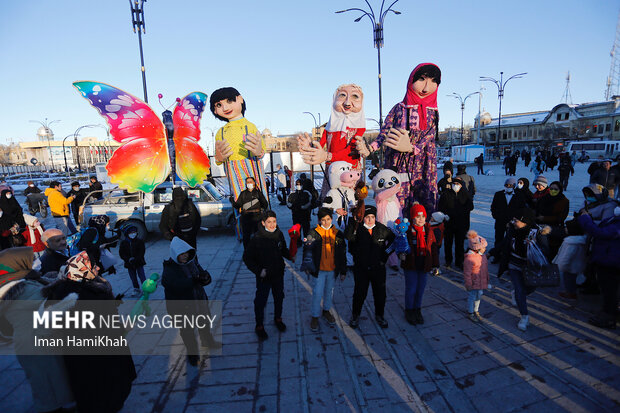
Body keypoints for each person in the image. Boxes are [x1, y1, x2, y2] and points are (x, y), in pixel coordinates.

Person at [42, 251, 137, 412]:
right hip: (97, 358)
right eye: (93, 266)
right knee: (104, 391)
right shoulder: (80, 297)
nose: (98, 268)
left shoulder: (75, 287)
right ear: (82, 270)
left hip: (86, 358)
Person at [0, 247, 75, 413]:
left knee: (50, 382)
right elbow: (52, 303)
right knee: (49, 386)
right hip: (36, 346)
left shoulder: (20, 281)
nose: (36, 262)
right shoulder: (20, 290)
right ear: (18, 264)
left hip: (36, 340)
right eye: (31, 259)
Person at [368, 63, 442, 214]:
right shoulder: (399, 108)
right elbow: (386, 129)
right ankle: (397, 230)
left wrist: (413, 147)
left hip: (424, 161)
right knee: (397, 198)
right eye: (422, 79)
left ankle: (424, 232)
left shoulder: (433, 112)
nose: (426, 87)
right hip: (399, 161)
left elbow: (430, 134)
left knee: (424, 199)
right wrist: (373, 146)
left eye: (433, 81)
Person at [162, 237, 219, 365]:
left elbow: (202, 273)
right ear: (175, 254)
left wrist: (205, 278)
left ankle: (208, 341)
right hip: (182, 307)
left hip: (199, 300)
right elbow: (173, 285)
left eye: (186, 253)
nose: (184, 256)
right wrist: (193, 281)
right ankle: (192, 354)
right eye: (181, 254)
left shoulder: (192, 262)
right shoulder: (170, 268)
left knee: (204, 322)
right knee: (187, 331)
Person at [243, 210, 292, 340]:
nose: (272, 225)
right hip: (264, 277)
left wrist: (291, 255)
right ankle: (259, 326)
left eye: (274, 221)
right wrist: (259, 271)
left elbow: (283, 249)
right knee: (260, 301)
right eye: (269, 222)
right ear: (263, 222)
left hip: (278, 273)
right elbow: (247, 258)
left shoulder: (278, 234)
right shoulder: (257, 238)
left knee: (279, 297)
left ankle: (278, 319)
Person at [344, 205, 395, 329]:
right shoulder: (358, 228)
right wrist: (353, 220)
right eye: (367, 217)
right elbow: (349, 238)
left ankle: (380, 315)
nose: (370, 220)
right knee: (359, 293)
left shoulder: (382, 229)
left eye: (372, 217)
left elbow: (393, 241)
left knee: (380, 293)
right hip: (361, 268)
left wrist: (385, 255)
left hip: (378, 268)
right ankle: (355, 315)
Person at [301, 207, 347, 332]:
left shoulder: (338, 234)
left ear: (331, 219)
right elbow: (307, 250)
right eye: (323, 220)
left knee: (329, 291)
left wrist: (343, 271)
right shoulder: (313, 233)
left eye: (328, 219)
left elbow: (342, 254)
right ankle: (315, 315)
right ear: (319, 220)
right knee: (317, 293)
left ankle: (326, 310)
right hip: (319, 270)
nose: (326, 222)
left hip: (332, 270)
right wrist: (306, 265)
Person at [498, 208, 543, 331]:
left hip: (531, 267)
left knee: (531, 287)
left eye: (516, 220)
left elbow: (547, 250)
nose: (513, 222)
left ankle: (517, 294)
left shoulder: (536, 233)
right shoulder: (512, 230)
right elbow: (505, 243)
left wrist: (533, 245)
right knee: (519, 289)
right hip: (514, 264)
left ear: (525, 221)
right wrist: (491, 253)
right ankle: (524, 316)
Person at [578, 206, 620, 329]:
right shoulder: (614, 219)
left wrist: (585, 218)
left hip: (612, 261)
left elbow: (600, 232)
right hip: (605, 258)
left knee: (610, 291)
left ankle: (608, 318)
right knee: (608, 289)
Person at [401, 203, 436, 325]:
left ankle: (417, 309)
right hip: (411, 265)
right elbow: (400, 246)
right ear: (412, 218)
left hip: (424, 265)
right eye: (418, 216)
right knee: (411, 289)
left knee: (420, 289)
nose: (421, 219)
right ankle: (409, 310)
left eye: (423, 216)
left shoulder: (428, 230)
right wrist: (401, 253)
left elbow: (433, 248)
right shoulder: (407, 231)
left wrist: (435, 264)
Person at [438, 177, 473, 269]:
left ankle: (459, 261)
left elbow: (470, 207)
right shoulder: (446, 194)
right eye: (454, 184)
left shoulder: (465, 195)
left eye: (458, 184)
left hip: (461, 224)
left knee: (459, 244)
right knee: (448, 243)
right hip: (449, 223)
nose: (456, 186)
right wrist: (445, 215)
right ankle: (448, 260)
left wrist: (462, 212)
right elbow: (440, 207)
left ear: (461, 185)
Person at [490, 178, 525, 263]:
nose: (508, 187)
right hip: (500, 221)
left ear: (514, 186)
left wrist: (514, 220)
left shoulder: (519, 196)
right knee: (498, 239)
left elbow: (521, 209)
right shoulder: (498, 194)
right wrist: (497, 216)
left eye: (510, 185)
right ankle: (497, 256)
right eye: (506, 185)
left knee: (510, 241)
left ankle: (508, 259)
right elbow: (493, 207)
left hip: (512, 223)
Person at [231, 177, 269, 249]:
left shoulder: (258, 193)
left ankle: (259, 253)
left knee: (258, 236)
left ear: (254, 183)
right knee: (246, 237)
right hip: (246, 217)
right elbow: (237, 205)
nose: (249, 183)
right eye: (247, 182)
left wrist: (262, 207)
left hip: (257, 217)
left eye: (250, 182)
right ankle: (247, 254)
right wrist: (233, 202)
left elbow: (265, 204)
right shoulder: (243, 194)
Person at [463, 230, 489, 322]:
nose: (485, 249)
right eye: (483, 247)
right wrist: (468, 284)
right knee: (472, 296)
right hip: (474, 282)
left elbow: (485, 270)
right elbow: (467, 273)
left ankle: (476, 310)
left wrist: (486, 279)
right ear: (477, 248)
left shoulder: (482, 256)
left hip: (480, 281)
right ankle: (470, 312)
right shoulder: (470, 259)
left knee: (479, 295)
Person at [119, 225, 146, 295]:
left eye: (134, 232)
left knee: (142, 275)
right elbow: (122, 253)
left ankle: (145, 287)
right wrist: (128, 259)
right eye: (131, 232)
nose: (133, 234)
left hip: (139, 262)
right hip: (129, 263)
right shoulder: (123, 243)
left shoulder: (139, 241)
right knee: (133, 277)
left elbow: (142, 252)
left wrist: (136, 258)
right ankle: (136, 288)